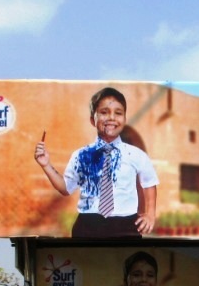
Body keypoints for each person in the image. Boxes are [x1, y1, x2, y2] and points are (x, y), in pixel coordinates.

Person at [33, 86, 159, 239]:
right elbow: (65, 188)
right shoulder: (81, 155)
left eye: (118, 113)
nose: (112, 118)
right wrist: (46, 165)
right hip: (88, 225)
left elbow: (149, 183)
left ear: (124, 119)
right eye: (104, 112)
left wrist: (150, 215)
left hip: (125, 225)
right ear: (93, 120)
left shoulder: (136, 155)